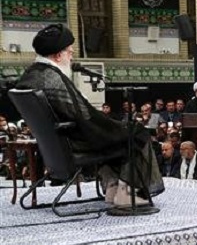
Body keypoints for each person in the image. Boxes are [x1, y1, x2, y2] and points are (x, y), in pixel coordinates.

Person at [15, 24, 164, 204]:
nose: (72, 54)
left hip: (60, 142)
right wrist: (114, 127)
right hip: (75, 144)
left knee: (119, 134)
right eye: (69, 51)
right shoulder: (52, 78)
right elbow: (83, 117)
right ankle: (128, 195)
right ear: (57, 55)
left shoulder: (32, 74)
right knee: (136, 133)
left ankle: (113, 187)